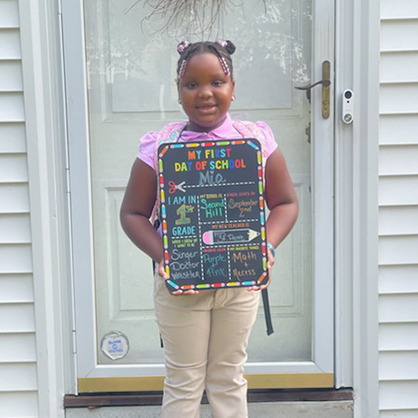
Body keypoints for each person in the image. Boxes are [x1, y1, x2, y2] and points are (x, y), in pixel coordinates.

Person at [120, 39, 299, 418]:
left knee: (228, 377)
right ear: (178, 91)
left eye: (217, 82)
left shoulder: (255, 141)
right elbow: (132, 214)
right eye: (192, 84)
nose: (205, 93)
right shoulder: (162, 146)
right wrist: (165, 254)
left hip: (240, 282)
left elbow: (285, 204)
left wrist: (264, 248)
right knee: (184, 381)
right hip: (180, 283)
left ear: (233, 88)